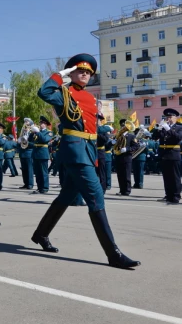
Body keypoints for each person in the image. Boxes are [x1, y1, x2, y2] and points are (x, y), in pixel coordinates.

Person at [31, 53, 140, 269]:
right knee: (96, 197)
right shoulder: (64, 93)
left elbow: (89, 126)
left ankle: (41, 234)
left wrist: (105, 134)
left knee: (65, 197)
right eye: (81, 70)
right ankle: (113, 253)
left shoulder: (90, 98)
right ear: (71, 72)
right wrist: (60, 75)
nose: (86, 74)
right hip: (75, 152)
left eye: (89, 72)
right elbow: (43, 92)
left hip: (88, 151)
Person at [152, 108, 182, 204]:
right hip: (164, 155)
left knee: (175, 177)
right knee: (167, 177)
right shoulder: (164, 127)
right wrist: (158, 129)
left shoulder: (179, 127)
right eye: (167, 117)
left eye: (170, 117)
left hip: (174, 154)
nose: (168, 119)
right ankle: (168, 195)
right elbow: (154, 137)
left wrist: (168, 129)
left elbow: (177, 138)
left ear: (176, 118)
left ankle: (176, 196)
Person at [113, 119, 139, 196]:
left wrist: (127, 149)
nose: (123, 127)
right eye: (122, 126)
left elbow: (136, 146)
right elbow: (115, 145)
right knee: (120, 175)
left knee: (126, 174)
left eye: (124, 126)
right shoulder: (118, 135)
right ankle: (121, 190)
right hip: (118, 156)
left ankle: (127, 190)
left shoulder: (131, 136)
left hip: (127, 157)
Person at [29, 116, 53, 194]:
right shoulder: (37, 132)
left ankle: (45, 188)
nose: (41, 124)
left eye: (42, 123)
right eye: (40, 123)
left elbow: (45, 140)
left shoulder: (49, 132)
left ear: (45, 124)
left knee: (44, 172)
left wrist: (38, 132)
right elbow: (30, 141)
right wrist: (31, 133)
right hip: (36, 153)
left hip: (43, 154)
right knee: (37, 172)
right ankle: (39, 188)